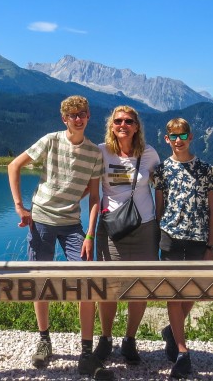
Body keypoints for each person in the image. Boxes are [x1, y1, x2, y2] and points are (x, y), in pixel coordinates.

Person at [7, 95, 113, 380]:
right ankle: (44, 339)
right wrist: (20, 206)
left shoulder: (94, 153)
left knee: (87, 281)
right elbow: (13, 166)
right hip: (40, 219)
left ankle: (87, 352)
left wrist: (90, 233)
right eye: (73, 115)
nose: (78, 119)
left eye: (83, 114)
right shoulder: (51, 141)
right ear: (64, 119)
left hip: (72, 225)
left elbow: (94, 198)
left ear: (89, 117)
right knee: (40, 280)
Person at [92, 106, 160, 365]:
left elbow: (161, 185)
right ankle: (106, 338)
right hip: (111, 228)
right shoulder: (102, 151)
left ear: (136, 126)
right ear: (112, 125)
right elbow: (90, 187)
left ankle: (129, 340)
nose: (123, 125)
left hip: (145, 228)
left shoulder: (149, 153)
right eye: (118, 121)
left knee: (139, 287)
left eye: (128, 121)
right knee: (109, 287)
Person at [152, 117, 213, 379]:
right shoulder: (162, 170)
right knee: (173, 293)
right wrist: (156, 236)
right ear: (167, 139)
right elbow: (159, 208)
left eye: (183, 135)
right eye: (173, 136)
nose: (178, 141)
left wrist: (211, 246)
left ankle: (171, 331)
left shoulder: (205, 169)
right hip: (170, 238)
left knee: (196, 290)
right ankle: (182, 351)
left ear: (191, 137)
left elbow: (212, 210)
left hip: (198, 240)